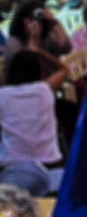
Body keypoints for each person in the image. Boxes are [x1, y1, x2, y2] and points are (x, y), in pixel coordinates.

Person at [0, 50, 68, 196]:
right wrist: (40, 52)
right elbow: (64, 69)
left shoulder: (2, 96)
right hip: (49, 165)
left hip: (12, 168)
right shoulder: (45, 90)